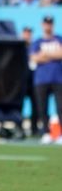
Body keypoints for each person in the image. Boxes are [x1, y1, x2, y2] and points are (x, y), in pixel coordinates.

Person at [29, 15, 62, 144]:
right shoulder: (37, 42)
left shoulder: (59, 38)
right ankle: (46, 133)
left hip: (58, 79)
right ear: (43, 25)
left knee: (60, 107)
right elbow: (34, 58)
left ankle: (59, 134)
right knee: (42, 108)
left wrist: (45, 54)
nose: (48, 26)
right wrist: (54, 55)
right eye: (46, 23)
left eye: (50, 23)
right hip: (41, 79)